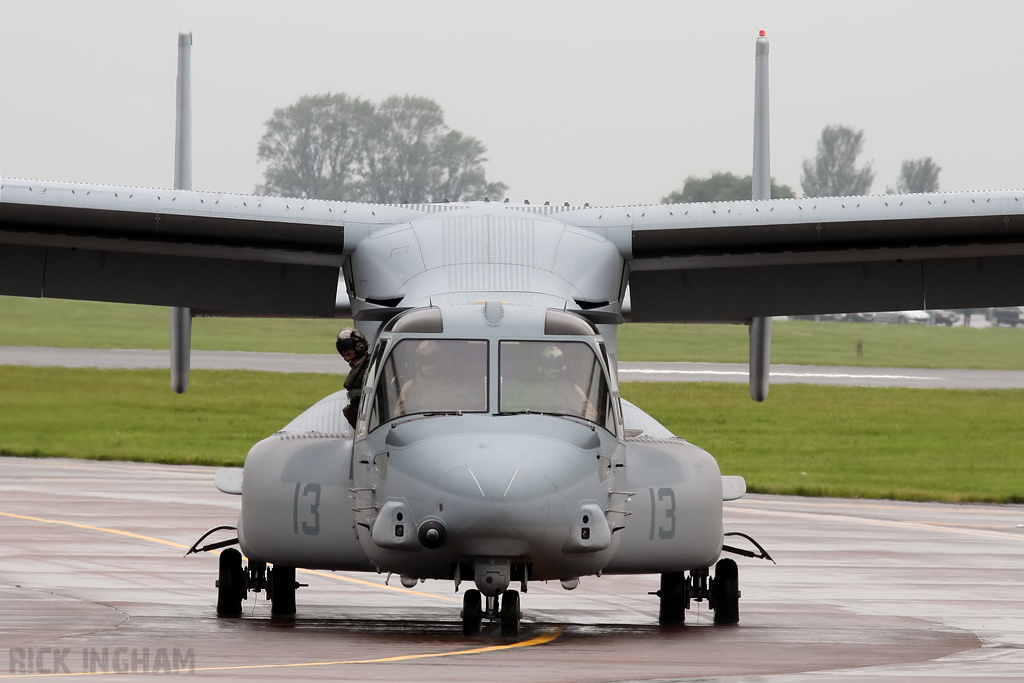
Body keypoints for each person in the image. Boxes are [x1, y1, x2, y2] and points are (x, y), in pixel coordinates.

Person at [394, 341, 441, 417]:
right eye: (424, 360)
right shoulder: (409, 386)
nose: (428, 365)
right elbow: (397, 416)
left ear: (438, 361)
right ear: (419, 363)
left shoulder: (449, 385)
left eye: (433, 360)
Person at [336, 328, 369, 428]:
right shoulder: (357, 369)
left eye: (347, 347)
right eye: (341, 348)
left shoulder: (369, 367)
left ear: (359, 346)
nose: (344, 351)